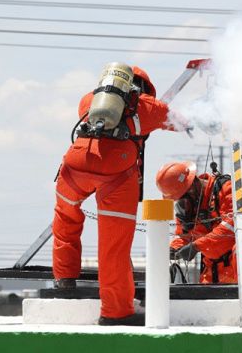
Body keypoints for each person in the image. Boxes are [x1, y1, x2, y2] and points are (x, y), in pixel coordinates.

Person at [52, 64, 179, 326]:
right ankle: (115, 312)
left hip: (75, 166)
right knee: (114, 247)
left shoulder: (89, 99)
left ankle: (64, 279)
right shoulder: (147, 107)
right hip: (117, 173)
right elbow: (181, 121)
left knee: (66, 221)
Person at [156, 161, 242, 284]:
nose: (182, 202)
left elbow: (231, 227)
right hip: (216, 267)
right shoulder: (188, 207)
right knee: (206, 297)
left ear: (193, 185)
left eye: (182, 197)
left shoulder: (227, 189)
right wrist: (175, 248)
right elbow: (184, 235)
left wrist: (196, 246)